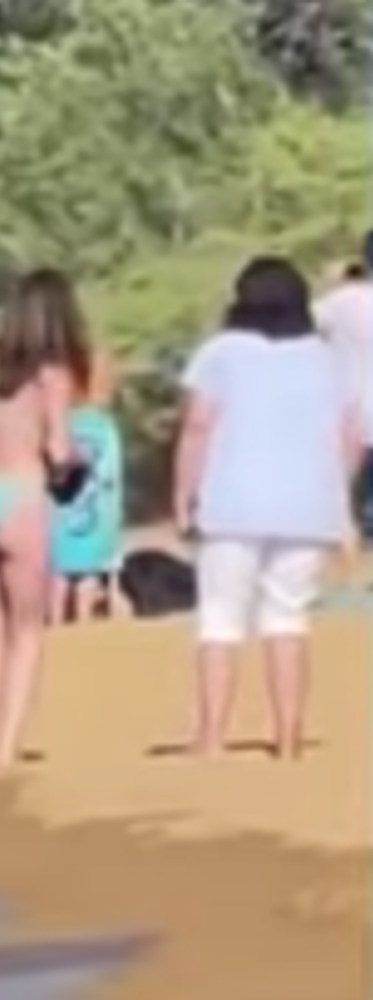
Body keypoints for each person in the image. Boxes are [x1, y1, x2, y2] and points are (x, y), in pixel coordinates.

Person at [173, 256, 361, 761]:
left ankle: (212, 738)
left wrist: (182, 493)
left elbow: (197, 427)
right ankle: (289, 737)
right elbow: (345, 438)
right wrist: (338, 505)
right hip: (306, 508)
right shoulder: (324, 359)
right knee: (288, 619)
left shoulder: (220, 353)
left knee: (220, 620)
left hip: (231, 503)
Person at [0, 268, 91, 768]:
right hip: (18, 495)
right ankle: (3, 753)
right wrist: (75, 465)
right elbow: (57, 447)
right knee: (26, 630)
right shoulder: (53, 373)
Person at [48, 346, 124, 623]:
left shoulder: (63, 423)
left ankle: (55, 625)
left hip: (61, 515)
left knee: (59, 574)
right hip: (100, 518)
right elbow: (112, 480)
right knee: (89, 576)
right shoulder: (107, 427)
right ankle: (83, 628)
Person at [312, 232, 373, 542]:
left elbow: (302, 324)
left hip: (350, 414)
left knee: (343, 493)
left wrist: (331, 283)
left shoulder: (343, 301)